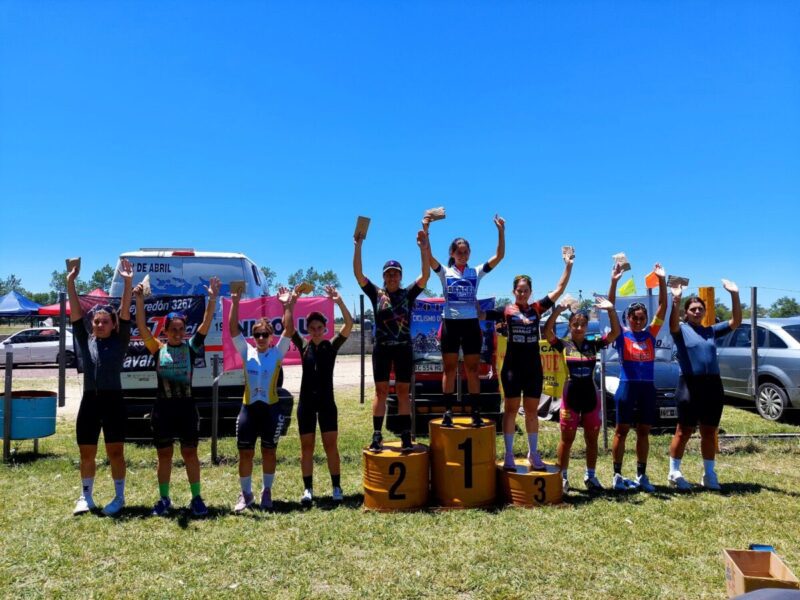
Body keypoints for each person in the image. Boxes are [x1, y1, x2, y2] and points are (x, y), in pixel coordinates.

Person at [134, 277, 220, 517]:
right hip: (163, 410)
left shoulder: (190, 348)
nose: (178, 333)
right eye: (173, 329)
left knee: (190, 454)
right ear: (165, 331)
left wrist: (212, 298)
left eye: (181, 329)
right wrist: (139, 300)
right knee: (164, 455)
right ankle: (164, 498)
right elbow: (141, 327)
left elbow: (205, 323)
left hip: (186, 410)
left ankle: (196, 498)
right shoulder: (157, 349)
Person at [482, 251, 574, 471]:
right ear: (513, 292)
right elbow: (479, 314)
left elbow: (559, 289)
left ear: (531, 292)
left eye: (525, 290)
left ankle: (533, 453)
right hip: (512, 368)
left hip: (533, 368)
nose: (522, 293)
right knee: (511, 410)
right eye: (519, 290)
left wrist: (568, 266)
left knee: (532, 412)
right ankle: (509, 455)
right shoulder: (506, 310)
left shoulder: (537, 309)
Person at [424, 214, 505, 427]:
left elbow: (499, 256)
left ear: (469, 254)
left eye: (466, 252)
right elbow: (428, 256)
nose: (462, 255)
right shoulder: (444, 272)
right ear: (452, 253)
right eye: (459, 252)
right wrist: (426, 229)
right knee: (449, 370)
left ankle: (475, 413)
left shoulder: (475, 272)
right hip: (450, 324)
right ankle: (448, 412)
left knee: (472, 370)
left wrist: (500, 231)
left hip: (470, 325)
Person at [353, 228, 430, 451]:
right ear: (383, 277)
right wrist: (358, 246)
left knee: (404, 392)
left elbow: (425, 275)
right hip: (382, 349)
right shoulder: (376, 294)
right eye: (388, 274)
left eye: (395, 273)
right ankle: (377, 435)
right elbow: (358, 274)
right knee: (381, 392)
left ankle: (405, 435)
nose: (392, 277)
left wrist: (423, 249)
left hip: (404, 348)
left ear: (401, 276)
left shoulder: (408, 293)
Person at [68, 258, 133, 516]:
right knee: (87, 452)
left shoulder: (120, 341)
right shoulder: (86, 341)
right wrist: (70, 283)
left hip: (113, 401)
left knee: (115, 452)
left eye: (105, 321)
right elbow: (75, 315)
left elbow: (125, 312)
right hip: (90, 402)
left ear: (113, 325)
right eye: (96, 321)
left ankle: (119, 497)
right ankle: (86, 497)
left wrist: (128, 283)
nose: (100, 325)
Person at [544, 287, 620, 493]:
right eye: (575, 324)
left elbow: (615, 333)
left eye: (582, 324)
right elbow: (547, 332)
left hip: (590, 398)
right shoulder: (563, 345)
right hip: (570, 398)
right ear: (570, 325)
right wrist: (558, 310)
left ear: (586, 326)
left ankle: (591, 476)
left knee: (592, 440)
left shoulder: (593, 344)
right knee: (566, 440)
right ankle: (562, 477)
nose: (579, 328)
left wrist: (611, 310)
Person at [667, 279, 741, 490]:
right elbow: (672, 324)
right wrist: (676, 299)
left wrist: (734, 294)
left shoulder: (711, 331)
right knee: (683, 431)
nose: (697, 312)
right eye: (693, 309)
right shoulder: (681, 331)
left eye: (700, 309)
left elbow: (735, 321)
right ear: (686, 313)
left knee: (709, 431)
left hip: (713, 387)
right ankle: (674, 472)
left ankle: (709, 475)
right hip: (689, 386)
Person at [229, 285, 297, 512]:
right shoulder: (246, 351)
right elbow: (233, 329)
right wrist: (235, 302)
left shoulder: (277, 353)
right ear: (253, 337)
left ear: (271, 337)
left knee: (269, 451)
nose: (260, 338)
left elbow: (289, 329)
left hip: (271, 410)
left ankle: (267, 491)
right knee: (245, 453)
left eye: (264, 334)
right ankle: (245, 494)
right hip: (248, 409)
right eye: (257, 334)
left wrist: (287, 306)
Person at [606, 263, 667, 492]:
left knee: (643, 432)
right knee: (621, 431)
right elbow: (610, 308)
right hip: (627, 387)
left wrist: (662, 280)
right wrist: (614, 281)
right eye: (635, 318)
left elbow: (663, 307)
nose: (639, 321)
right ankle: (617, 475)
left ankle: (641, 475)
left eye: (642, 318)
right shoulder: (621, 335)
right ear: (628, 318)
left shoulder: (651, 334)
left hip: (647, 389)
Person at [291, 285, 353, 506]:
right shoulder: (303, 346)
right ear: (308, 329)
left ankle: (336, 487)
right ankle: (308, 490)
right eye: (312, 328)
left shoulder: (331, 346)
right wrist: (291, 302)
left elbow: (349, 324)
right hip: (306, 404)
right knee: (306, 447)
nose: (316, 331)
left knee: (330, 446)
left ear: (325, 328)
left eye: (319, 327)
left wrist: (339, 302)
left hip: (327, 403)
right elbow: (288, 327)